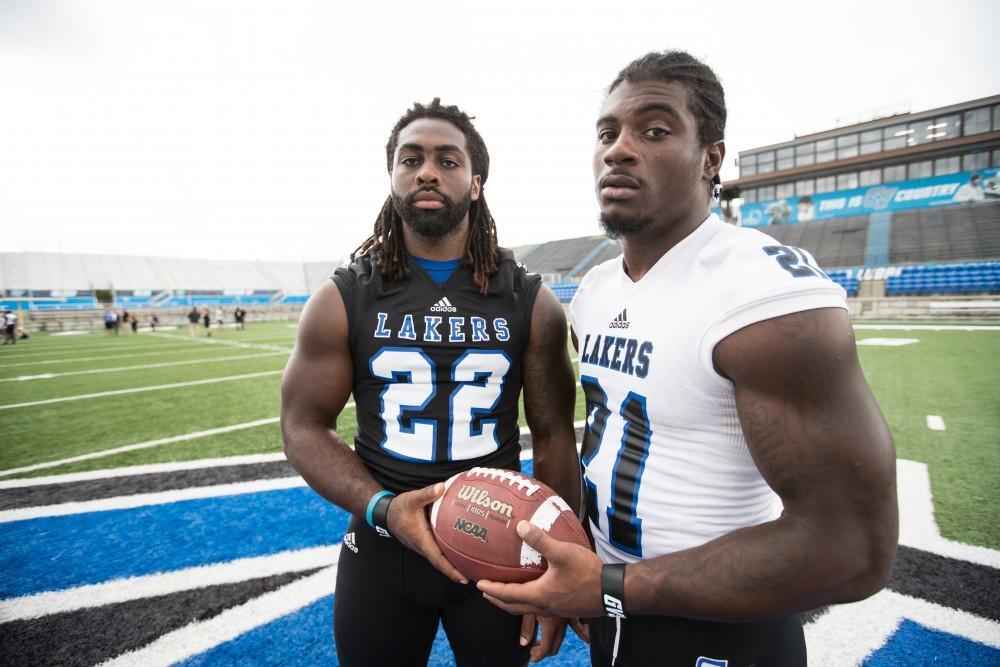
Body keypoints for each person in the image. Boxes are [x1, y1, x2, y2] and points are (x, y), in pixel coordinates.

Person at [477, 51, 898, 667]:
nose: (618, 150)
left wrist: (609, 588)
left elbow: (854, 546)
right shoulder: (596, 291)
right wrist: (580, 573)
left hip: (720, 628)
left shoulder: (760, 292)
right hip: (614, 611)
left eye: (653, 130)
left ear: (711, 158)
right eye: (607, 132)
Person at [280, 99, 581, 666]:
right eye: (410, 158)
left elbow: (555, 438)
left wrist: (559, 561)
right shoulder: (343, 298)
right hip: (382, 543)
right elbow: (302, 426)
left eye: (448, 160)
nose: (426, 171)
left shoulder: (531, 300)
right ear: (392, 176)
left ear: (475, 183)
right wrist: (383, 506)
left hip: (502, 546)